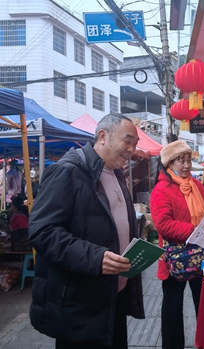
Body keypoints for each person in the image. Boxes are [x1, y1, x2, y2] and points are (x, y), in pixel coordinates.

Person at [28, 113, 145, 349]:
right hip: (79, 302)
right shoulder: (67, 171)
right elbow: (42, 231)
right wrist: (95, 257)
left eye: (135, 144)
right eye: (127, 141)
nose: (131, 149)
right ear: (103, 136)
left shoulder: (116, 173)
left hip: (113, 294)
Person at [149, 140, 204, 349]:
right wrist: (195, 232)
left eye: (188, 160)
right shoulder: (161, 189)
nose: (186, 165)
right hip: (175, 258)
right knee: (172, 308)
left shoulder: (198, 186)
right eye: (180, 160)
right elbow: (163, 224)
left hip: (201, 256)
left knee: (203, 306)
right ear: (169, 163)